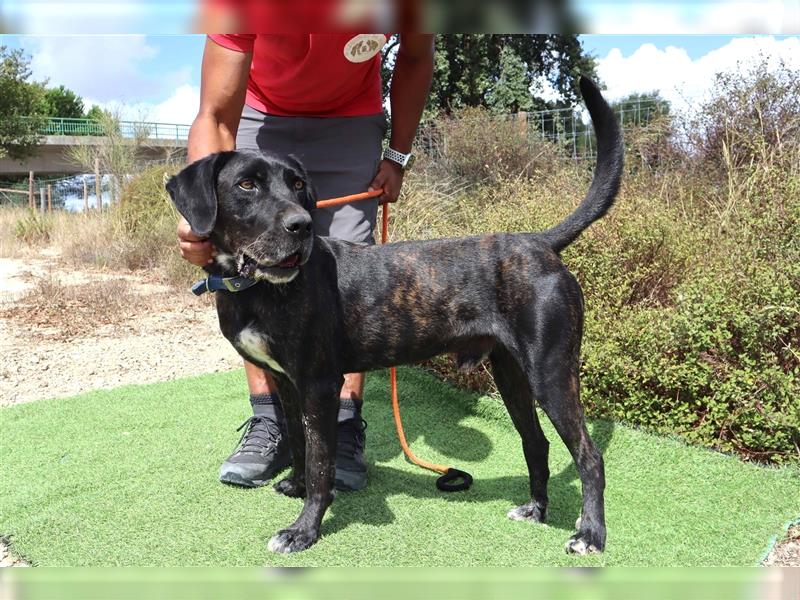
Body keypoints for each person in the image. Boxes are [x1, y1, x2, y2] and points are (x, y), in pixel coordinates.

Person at [178, 33, 435, 491]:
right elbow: (215, 114)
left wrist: (396, 155)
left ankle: (342, 423)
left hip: (351, 118)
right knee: (247, 271)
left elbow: (417, 55)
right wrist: (200, 222)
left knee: (345, 274)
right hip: (261, 108)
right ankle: (269, 421)